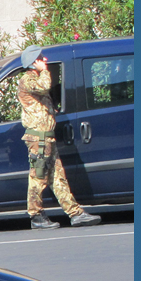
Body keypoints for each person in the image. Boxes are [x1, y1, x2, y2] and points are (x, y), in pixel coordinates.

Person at [17, 45, 100, 230]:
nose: (44, 61)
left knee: (57, 177)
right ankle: (36, 216)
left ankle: (75, 213)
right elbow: (44, 86)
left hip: (47, 137)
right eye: (41, 58)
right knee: (38, 176)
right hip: (38, 138)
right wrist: (45, 71)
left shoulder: (34, 79)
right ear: (33, 62)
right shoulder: (27, 80)